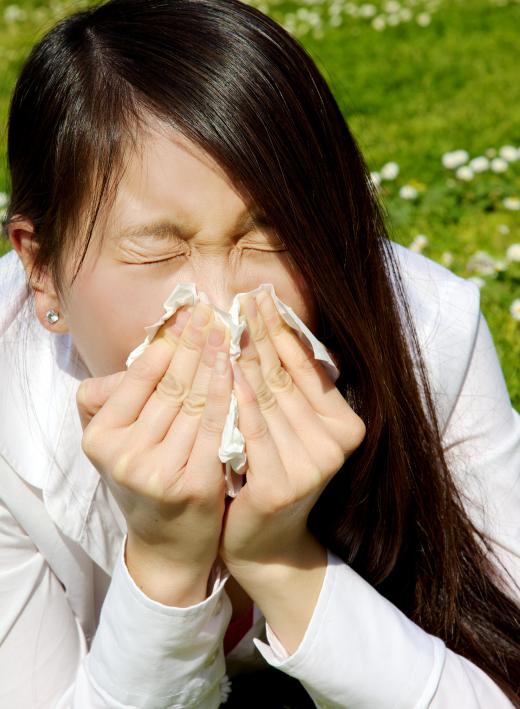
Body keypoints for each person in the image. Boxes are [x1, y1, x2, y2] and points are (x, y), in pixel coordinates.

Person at [0, 0, 519, 706]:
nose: (220, 309)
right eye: (158, 245)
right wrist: (163, 563)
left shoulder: (429, 332)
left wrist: (284, 562)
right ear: (41, 268)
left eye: (268, 235)